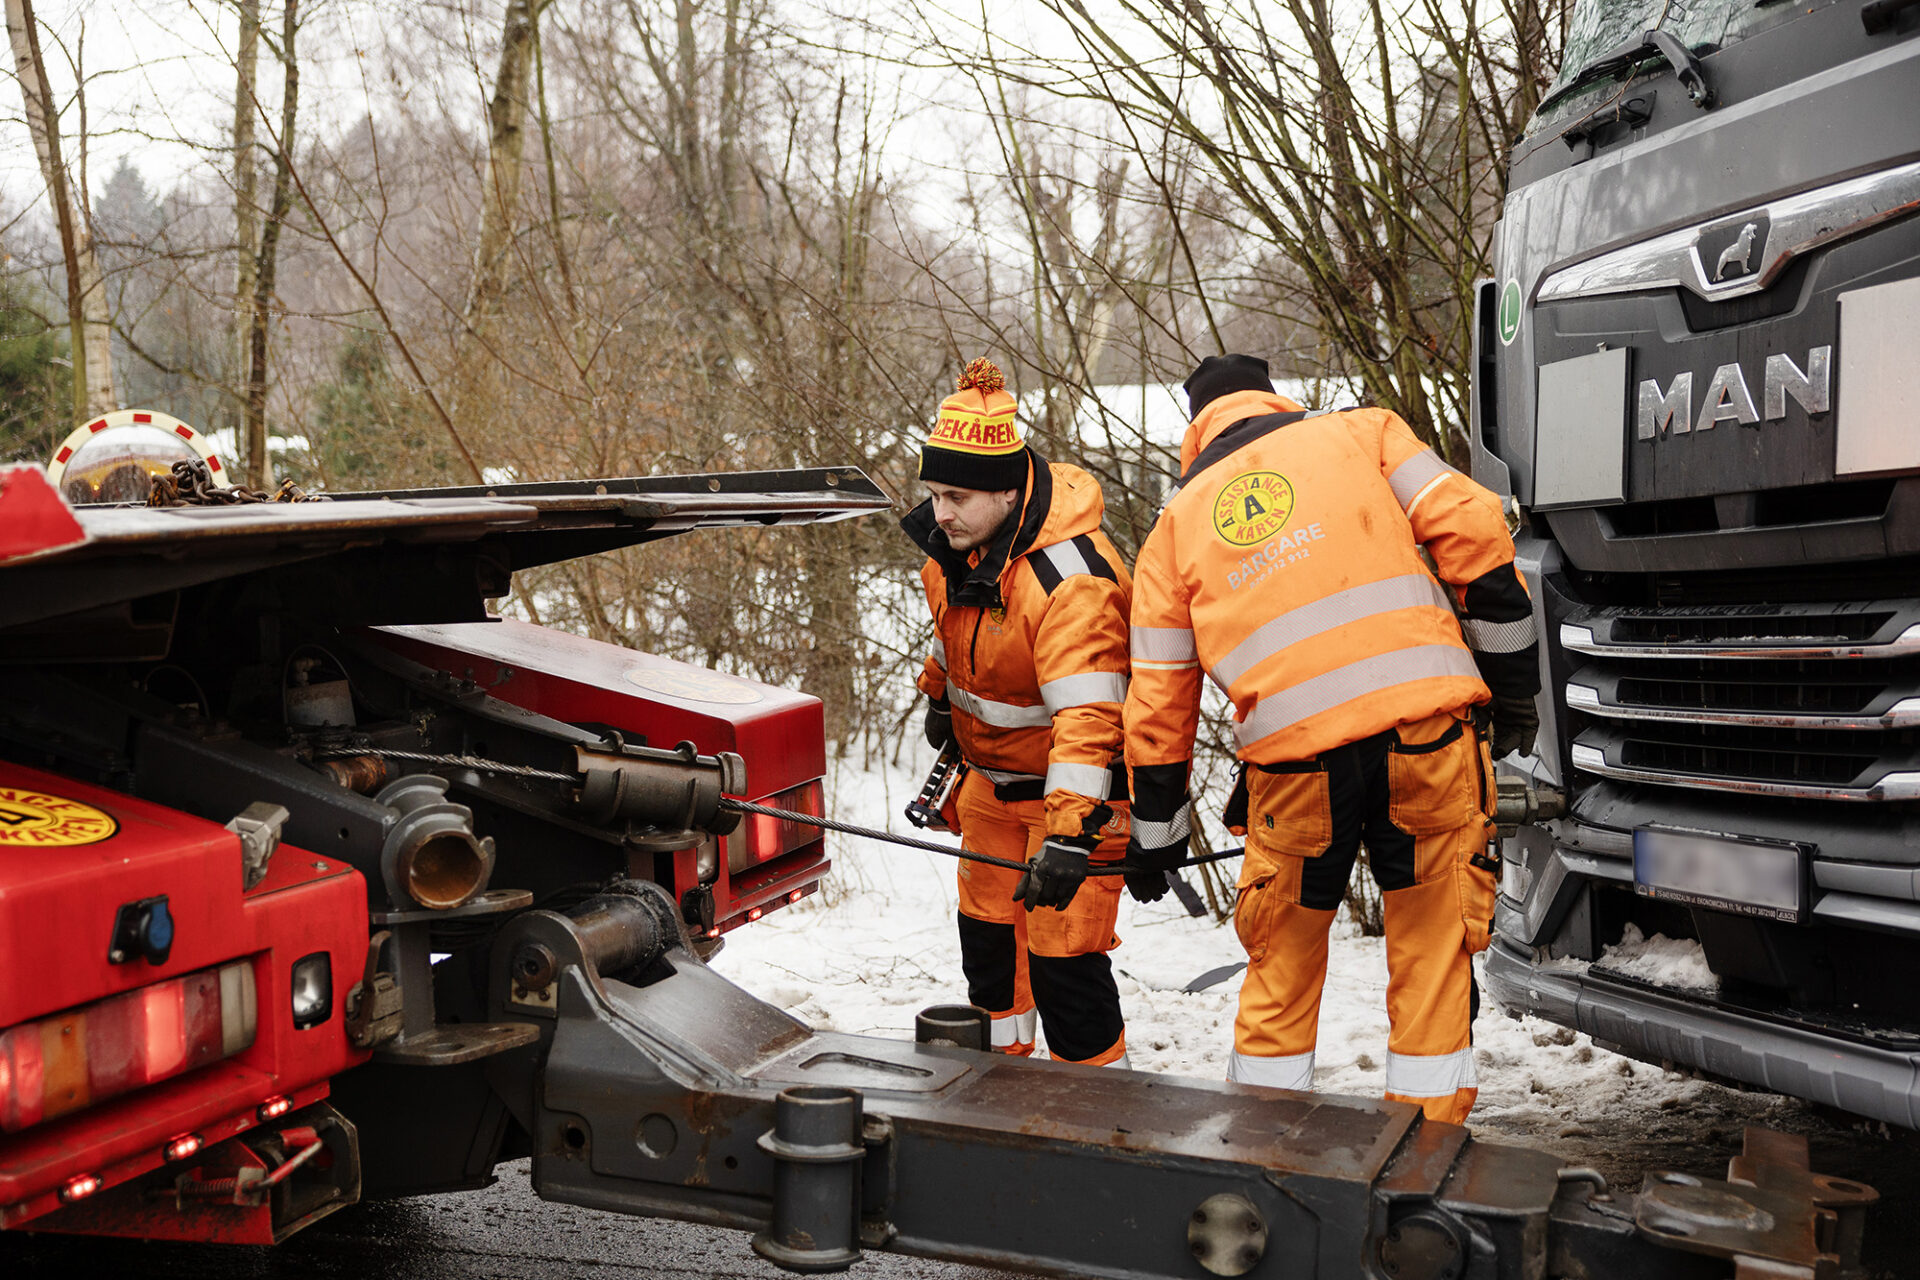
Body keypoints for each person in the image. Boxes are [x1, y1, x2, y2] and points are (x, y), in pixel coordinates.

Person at [1122, 354, 1539, 1123]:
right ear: (1274, 403)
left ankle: (1268, 1161)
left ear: (1197, 431)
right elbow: (1476, 530)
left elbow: (1156, 703)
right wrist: (1514, 687)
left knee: (1281, 962)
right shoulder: (1364, 433)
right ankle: (1425, 1161)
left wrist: (1156, 835)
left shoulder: (1173, 531)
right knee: (1431, 949)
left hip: (1297, 773)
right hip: (1429, 745)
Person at [901, 357, 1134, 1067]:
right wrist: (938, 694)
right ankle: (999, 1102)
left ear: (1008, 491)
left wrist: (1070, 836)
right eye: (933, 493)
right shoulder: (952, 553)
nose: (940, 513)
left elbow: (1088, 725)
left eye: (958, 496)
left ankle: (1101, 1126)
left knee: (1068, 977)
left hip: (1072, 805)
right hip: (990, 795)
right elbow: (962, 634)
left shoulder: (1074, 585)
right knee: (990, 961)